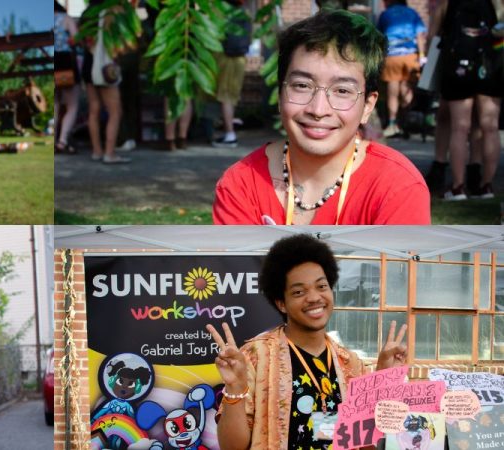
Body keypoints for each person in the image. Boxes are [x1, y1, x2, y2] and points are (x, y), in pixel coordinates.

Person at [213, 9, 430, 224]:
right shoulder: (241, 185)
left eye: (342, 91)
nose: (318, 110)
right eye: (302, 86)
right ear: (280, 95)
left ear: (368, 106)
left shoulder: (397, 187)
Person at [207, 233, 409, 450]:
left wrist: (381, 381)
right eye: (299, 291)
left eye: (321, 286)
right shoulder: (256, 355)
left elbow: (364, 445)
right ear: (282, 303)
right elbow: (232, 447)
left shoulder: (350, 363)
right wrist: (236, 387)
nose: (314, 297)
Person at [429, 0, 501, 200]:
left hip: (458, 64)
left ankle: (458, 187)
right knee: (490, 126)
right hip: (490, 63)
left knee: (459, 128)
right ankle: (486, 186)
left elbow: (433, 34)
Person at [80, 0, 130, 164]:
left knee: (94, 109)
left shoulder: (87, 13)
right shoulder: (112, 11)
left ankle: (97, 150)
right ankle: (109, 152)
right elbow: (118, 42)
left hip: (89, 63)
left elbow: (81, 40)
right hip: (104, 66)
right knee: (115, 111)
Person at [377, 0, 426, 138]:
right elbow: (420, 35)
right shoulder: (412, 12)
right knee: (407, 87)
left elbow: (379, 36)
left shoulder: (385, 14)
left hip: (392, 55)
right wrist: (422, 55)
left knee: (392, 90)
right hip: (410, 55)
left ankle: (393, 124)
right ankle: (405, 121)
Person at [213, 0, 252, 148]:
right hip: (240, 59)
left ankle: (230, 135)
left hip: (226, 58)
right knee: (232, 96)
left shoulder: (221, 13)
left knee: (225, 97)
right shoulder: (245, 14)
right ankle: (228, 131)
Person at [55, 0, 80, 154]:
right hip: (65, 62)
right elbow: (76, 39)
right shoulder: (65, 18)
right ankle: (62, 141)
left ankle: (54, 137)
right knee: (72, 105)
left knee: (56, 103)